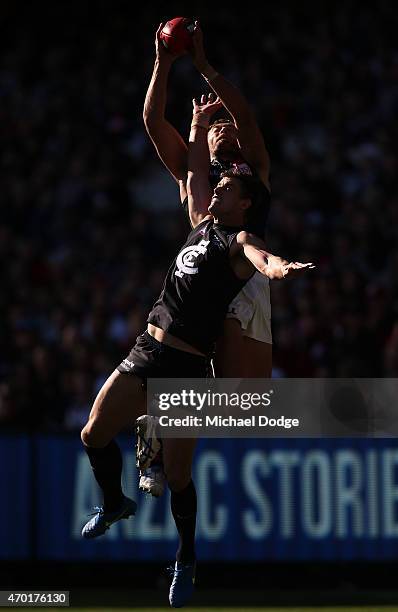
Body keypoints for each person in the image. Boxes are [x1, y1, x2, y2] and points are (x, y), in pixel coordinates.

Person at [81, 93, 313, 608]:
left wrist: (276, 268)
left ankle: (186, 556)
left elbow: (257, 250)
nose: (217, 189)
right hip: (150, 347)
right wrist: (194, 122)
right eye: (216, 183)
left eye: (225, 186)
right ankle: (117, 498)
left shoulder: (238, 229)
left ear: (240, 196)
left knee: (212, 444)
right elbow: (181, 157)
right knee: (93, 433)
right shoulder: (201, 214)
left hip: (192, 353)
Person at [140, 20, 274, 498]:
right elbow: (154, 123)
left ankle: (159, 423)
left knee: (250, 405)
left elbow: (247, 118)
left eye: (226, 125)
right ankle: (160, 440)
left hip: (249, 273)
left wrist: (205, 68)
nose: (223, 126)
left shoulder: (254, 172)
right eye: (214, 125)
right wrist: (163, 63)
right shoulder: (194, 177)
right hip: (206, 283)